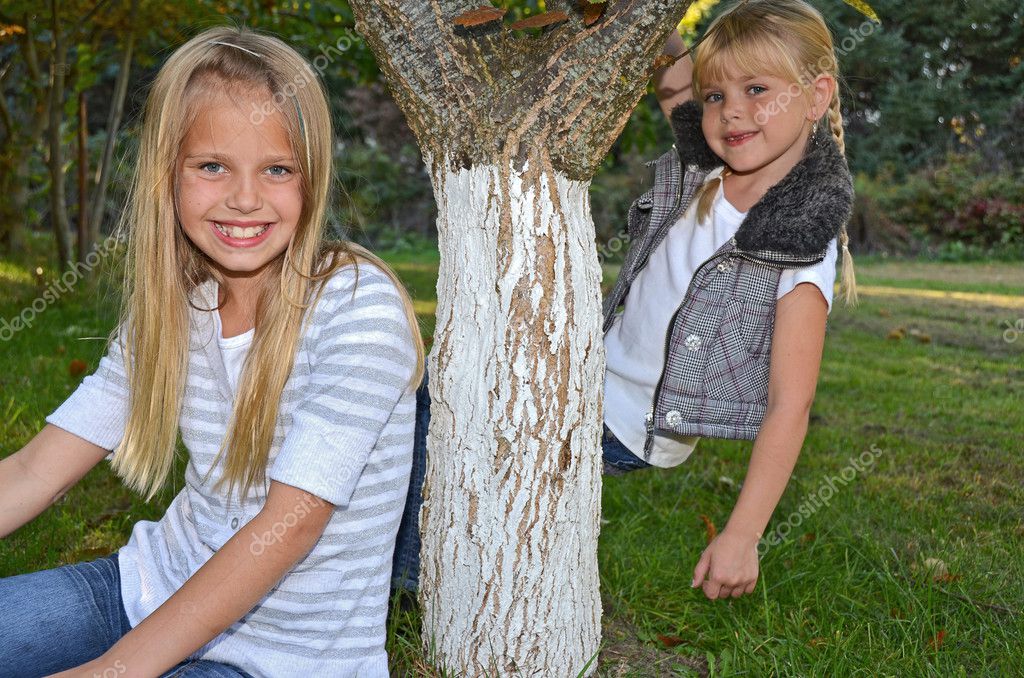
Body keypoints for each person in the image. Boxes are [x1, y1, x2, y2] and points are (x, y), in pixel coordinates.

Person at [393, 0, 857, 603]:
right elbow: (670, 68)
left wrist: (742, 535)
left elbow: (790, 406)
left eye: (757, 89)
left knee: (453, 417)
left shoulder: (797, 241)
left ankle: (400, 586)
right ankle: (429, 563)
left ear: (816, 96)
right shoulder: (704, 171)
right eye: (716, 96)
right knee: (444, 400)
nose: (731, 110)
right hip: (589, 376)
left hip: (630, 420)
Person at [0, 26, 423, 678]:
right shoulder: (179, 309)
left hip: (284, 661)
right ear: (167, 175)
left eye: (277, 169)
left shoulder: (356, 310)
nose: (246, 198)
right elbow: (31, 473)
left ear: (312, 179)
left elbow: (289, 528)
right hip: (144, 590)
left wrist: (109, 672)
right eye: (212, 165)